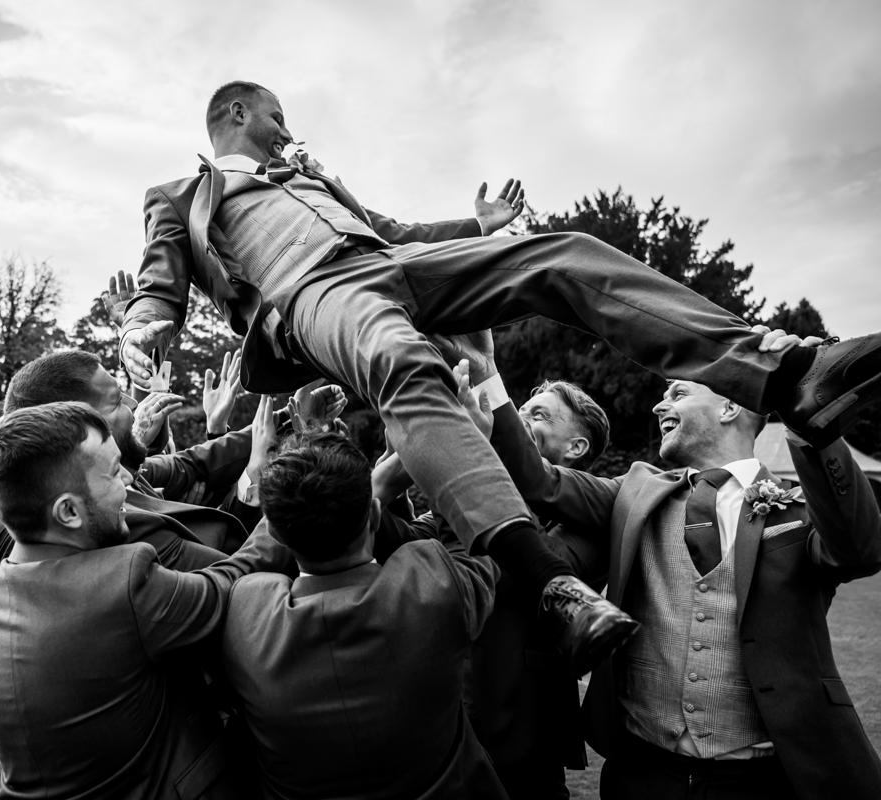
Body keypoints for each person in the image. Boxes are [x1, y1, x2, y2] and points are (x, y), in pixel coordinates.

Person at [118, 79, 881, 664]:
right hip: (308, 295)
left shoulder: (315, 178)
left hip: (395, 264)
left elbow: (391, 231)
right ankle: (546, 581)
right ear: (243, 114)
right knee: (402, 362)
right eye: (279, 117)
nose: (290, 130)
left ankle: (786, 376)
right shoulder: (183, 194)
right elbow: (160, 274)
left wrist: (475, 230)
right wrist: (147, 319)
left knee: (563, 254)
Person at [485, 331, 881, 799]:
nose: (658, 405)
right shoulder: (631, 492)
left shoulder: (801, 505)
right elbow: (541, 481)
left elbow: (860, 551)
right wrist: (486, 373)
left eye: (679, 391)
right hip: (639, 774)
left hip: (763, 781)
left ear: (730, 406)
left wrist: (808, 413)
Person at [0, 400, 291, 800]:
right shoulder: (121, 583)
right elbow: (226, 586)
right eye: (112, 474)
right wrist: (284, 505)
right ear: (68, 512)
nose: (128, 480)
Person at [221, 432, 508, 799]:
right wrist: (453, 444)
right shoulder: (434, 587)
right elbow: (475, 539)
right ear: (374, 513)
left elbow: (241, 565)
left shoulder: (244, 611)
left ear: (273, 531)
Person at [0, 348, 270, 586]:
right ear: (80, 425)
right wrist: (256, 477)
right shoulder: (115, 525)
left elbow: (191, 463)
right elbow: (234, 573)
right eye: (117, 402)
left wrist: (271, 423)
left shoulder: (117, 478)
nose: (133, 406)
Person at [471, 379, 612, 799]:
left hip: (527, 729)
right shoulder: (469, 488)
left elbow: (540, 568)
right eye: (522, 409)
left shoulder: (595, 519)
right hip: (446, 718)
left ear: (576, 448)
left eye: (538, 415)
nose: (519, 419)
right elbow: (406, 541)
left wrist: (484, 460)